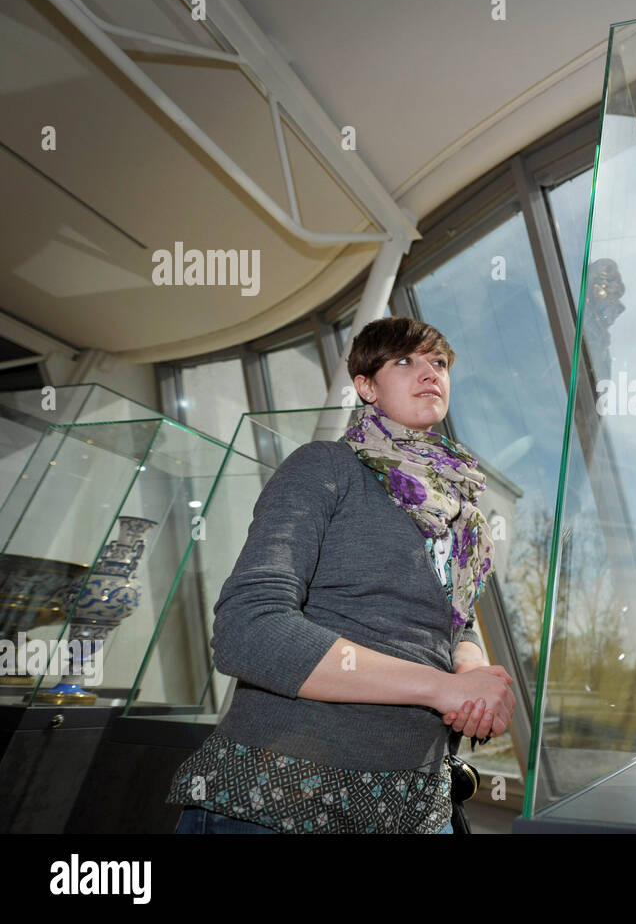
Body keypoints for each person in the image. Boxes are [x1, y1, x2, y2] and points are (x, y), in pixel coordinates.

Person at [167, 317, 515, 833]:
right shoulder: (326, 466)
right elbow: (249, 630)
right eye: (404, 361)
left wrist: (469, 671)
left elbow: (452, 624)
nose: (429, 373)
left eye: (438, 363)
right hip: (284, 796)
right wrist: (438, 689)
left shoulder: (458, 508)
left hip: (418, 803)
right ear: (366, 387)